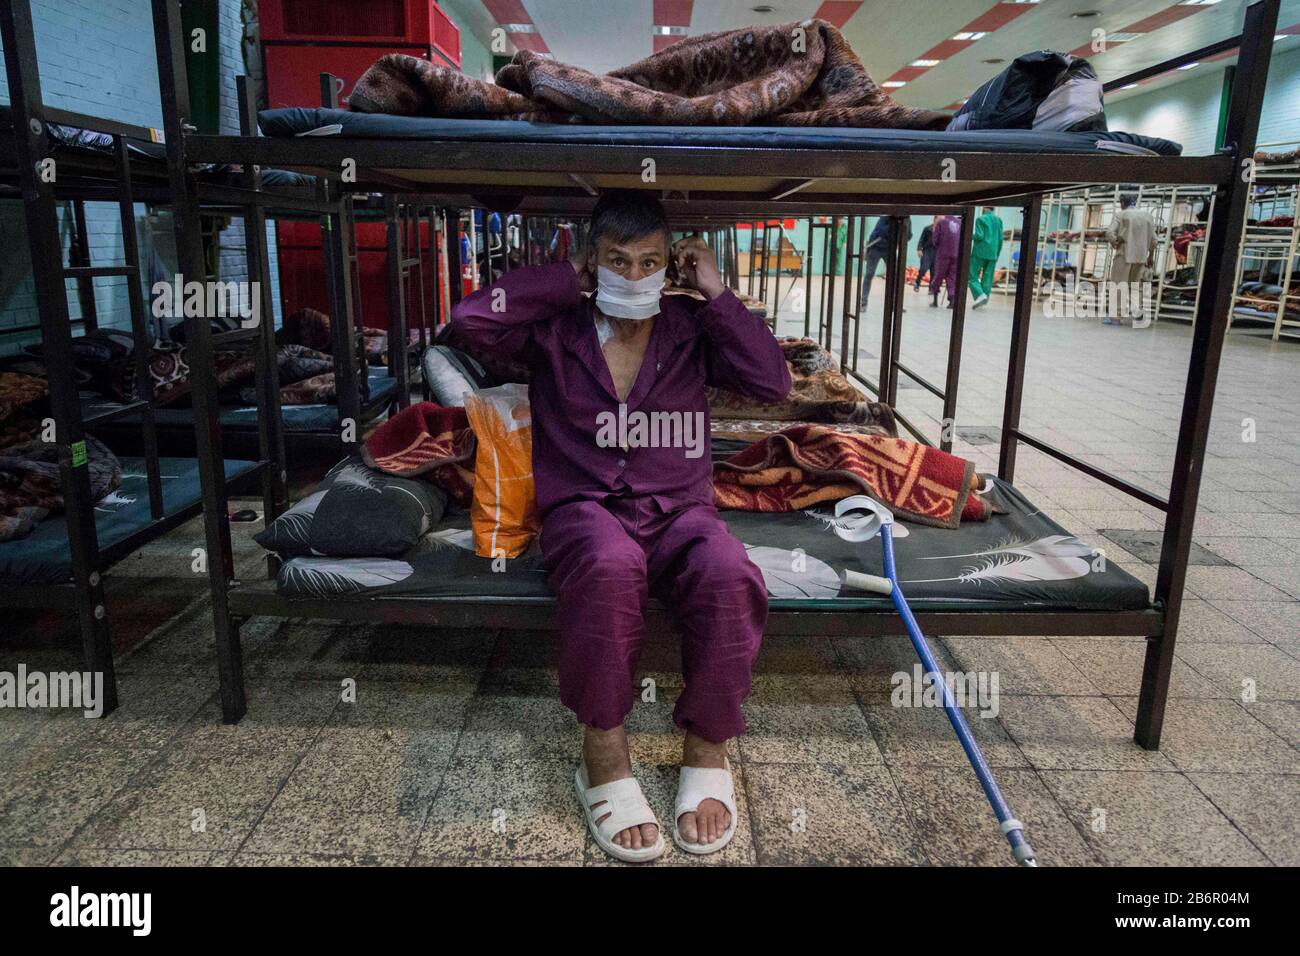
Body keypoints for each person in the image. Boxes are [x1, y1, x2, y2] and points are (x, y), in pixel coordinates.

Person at [449, 190, 791, 862]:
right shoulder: (555, 330)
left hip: (681, 511)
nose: (633, 276)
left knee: (729, 573)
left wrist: (716, 291)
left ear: (671, 265)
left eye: (649, 262)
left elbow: (771, 380)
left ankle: (707, 746)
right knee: (609, 565)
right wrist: (563, 278)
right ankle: (603, 751)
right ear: (593, 261)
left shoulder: (689, 328)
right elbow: (469, 319)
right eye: (617, 261)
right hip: (586, 510)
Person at [1107, 192, 1156, 285]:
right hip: (1141, 257)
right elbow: (1153, 240)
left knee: (1119, 287)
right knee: (1134, 288)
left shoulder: (1121, 215)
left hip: (1124, 256)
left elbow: (1109, 233)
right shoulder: (1148, 216)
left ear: (1122, 203)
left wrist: (1115, 242)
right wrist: (1150, 256)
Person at [968, 206, 1003, 309]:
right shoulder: (998, 220)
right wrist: (997, 254)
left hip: (980, 252)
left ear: (984, 208)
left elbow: (979, 235)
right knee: (987, 278)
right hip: (993, 253)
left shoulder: (980, 219)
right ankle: (984, 298)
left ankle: (979, 295)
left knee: (972, 275)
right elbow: (1000, 239)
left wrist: (968, 235)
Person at [930, 214, 961, 308]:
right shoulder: (960, 222)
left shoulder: (940, 222)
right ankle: (952, 301)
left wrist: (935, 226)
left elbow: (935, 240)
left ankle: (935, 300)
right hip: (956, 254)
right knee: (952, 276)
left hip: (943, 253)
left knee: (938, 275)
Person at [914, 218, 936, 292]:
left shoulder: (942, 230)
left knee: (934, 271)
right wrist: (919, 249)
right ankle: (917, 282)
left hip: (937, 252)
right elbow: (921, 239)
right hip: (927, 250)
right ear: (935, 219)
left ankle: (931, 288)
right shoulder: (927, 229)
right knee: (923, 268)